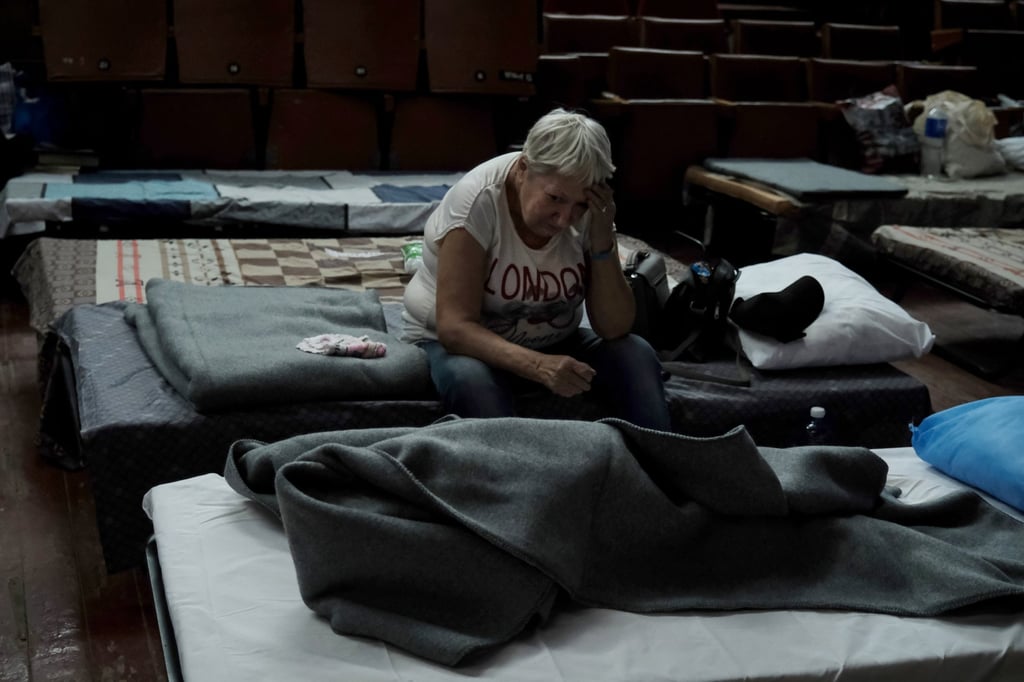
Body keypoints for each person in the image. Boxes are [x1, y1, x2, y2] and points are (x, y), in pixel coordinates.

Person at [401, 108, 671, 431]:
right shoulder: (477, 202)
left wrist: (601, 243)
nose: (565, 218)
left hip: (552, 340)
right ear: (523, 168)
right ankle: (516, 478)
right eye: (555, 198)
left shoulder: (590, 210)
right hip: (458, 344)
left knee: (636, 355)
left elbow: (614, 328)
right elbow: (455, 328)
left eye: (579, 205)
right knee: (471, 381)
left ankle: (652, 467)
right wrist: (538, 366)